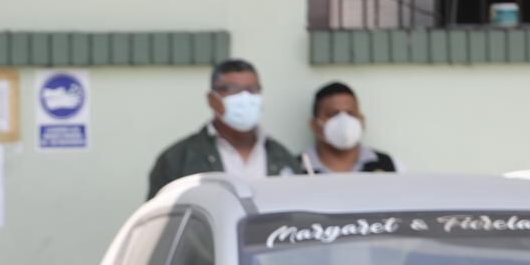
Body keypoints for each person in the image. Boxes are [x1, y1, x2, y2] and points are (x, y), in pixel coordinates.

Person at [147, 58, 300, 198]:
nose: (245, 98)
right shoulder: (178, 158)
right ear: (212, 99)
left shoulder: (281, 155)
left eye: (252, 90)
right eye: (233, 90)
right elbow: (159, 219)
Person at [302, 81, 397, 174]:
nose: (343, 120)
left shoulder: (389, 166)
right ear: (313, 125)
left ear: (362, 121)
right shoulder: (293, 169)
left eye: (350, 114)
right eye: (333, 114)